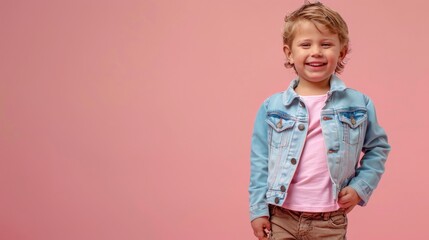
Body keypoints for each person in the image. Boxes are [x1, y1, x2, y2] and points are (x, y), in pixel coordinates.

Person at [248, 2, 391, 239]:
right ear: (289, 53)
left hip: (330, 220)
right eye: (306, 44)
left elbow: (378, 148)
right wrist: (258, 209)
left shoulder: (359, 104)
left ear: (342, 52)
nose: (316, 51)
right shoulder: (272, 107)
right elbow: (260, 161)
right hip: (281, 215)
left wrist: (360, 188)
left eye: (326, 44)